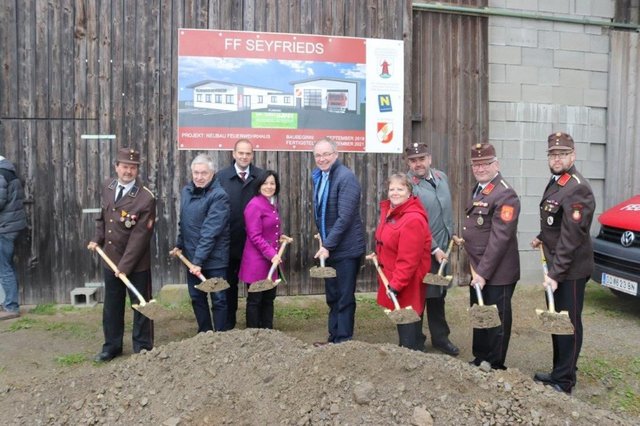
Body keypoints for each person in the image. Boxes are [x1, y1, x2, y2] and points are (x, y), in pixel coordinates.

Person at [531, 132, 595, 394]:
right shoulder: (559, 181)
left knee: (568, 324)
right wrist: (541, 236)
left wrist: (556, 275)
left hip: (570, 270)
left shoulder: (577, 187)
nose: (557, 159)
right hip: (559, 267)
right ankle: (559, 371)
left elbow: (572, 237)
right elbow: (557, 221)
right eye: (553, 154)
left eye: (562, 154)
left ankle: (565, 381)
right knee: (557, 320)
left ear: (573, 155)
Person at [88, 147, 156, 362]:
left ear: (137, 170)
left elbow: (139, 238)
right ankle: (112, 346)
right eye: (125, 166)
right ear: (116, 167)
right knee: (112, 307)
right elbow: (103, 218)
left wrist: (124, 266)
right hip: (110, 260)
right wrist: (97, 239)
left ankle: (143, 347)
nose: (128, 171)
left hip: (136, 264)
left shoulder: (145, 198)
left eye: (133, 168)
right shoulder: (108, 186)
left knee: (141, 305)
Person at [462, 143, 520, 370]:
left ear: (496, 164)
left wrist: (483, 273)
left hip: (497, 272)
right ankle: (480, 357)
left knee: (496, 320)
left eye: (486, 163)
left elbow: (500, 239)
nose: (480, 168)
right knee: (480, 313)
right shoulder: (480, 189)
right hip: (478, 268)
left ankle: (494, 364)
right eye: (476, 164)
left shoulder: (505, 194)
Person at [405, 143, 459, 356]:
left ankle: (440, 338)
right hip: (421, 250)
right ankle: (415, 340)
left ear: (429, 159)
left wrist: (451, 233)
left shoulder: (440, 177)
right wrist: (434, 246)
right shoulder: (408, 185)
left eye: (421, 158)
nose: (418, 163)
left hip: (442, 250)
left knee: (438, 295)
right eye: (413, 160)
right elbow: (412, 221)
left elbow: (445, 210)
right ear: (408, 163)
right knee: (418, 295)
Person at [312, 137, 365, 345]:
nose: (322, 158)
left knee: (344, 298)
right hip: (331, 248)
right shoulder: (320, 176)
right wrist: (324, 239)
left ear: (336, 154)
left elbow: (345, 218)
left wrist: (327, 245)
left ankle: (343, 342)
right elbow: (322, 211)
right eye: (318, 155)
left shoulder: (346, 178)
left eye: (326, 154)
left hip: (346, 250)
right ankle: (333, 337)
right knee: (332, 296)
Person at [171, 154, 230, 333]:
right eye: (196, 173)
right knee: (197, 297)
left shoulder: (219, 196)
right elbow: (185, 222)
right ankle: (205, 333)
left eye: (204, 173)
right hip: (192, 257)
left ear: (212, 173)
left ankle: (220, 335)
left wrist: (198, 261)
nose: (199, 177)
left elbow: (209, 232)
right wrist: (179, 244)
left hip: (215, 259)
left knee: (218, 297)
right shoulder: (187, 191)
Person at [374, 173, 431, 350]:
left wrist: (396, 285)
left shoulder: (412, 219)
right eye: (392, 189)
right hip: (393, 276)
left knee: (408, 321)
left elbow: (409, 259)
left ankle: (410, 358)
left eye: (400, 189)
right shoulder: (392, 211)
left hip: (407, 280)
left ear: (409, 192)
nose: (395, 193)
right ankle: (411, 349)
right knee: (403, 320)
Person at [217, 139, 264, 329]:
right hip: (229, 242)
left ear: (252, 155)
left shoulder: (260, 176)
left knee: (256, 286)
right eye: (241, 153)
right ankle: (229, 324)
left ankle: (256, 326)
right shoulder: (221, 177)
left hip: (255, 243)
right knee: (229, 285)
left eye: (248, 153)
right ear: (233, 154)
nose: (244, 157)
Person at [239, 170, 282, 329]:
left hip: (270, 261)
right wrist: (272, 255)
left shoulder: (272, 203)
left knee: (269, 297)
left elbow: (271, 229)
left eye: (272, 183)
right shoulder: (254, 205)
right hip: (256, 262)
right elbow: (255, 235)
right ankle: (253, 334)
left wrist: (281, 236)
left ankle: (268, 331)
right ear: (259, 186)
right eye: (265, 183)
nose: (269, 186)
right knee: (255, 299)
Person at [0, 156, 27, 320]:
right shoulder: (9, 171)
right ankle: (9, 303)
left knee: (5, 268)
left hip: (4, 227)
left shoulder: (1, 173)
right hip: (11, 226)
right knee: (7, 266)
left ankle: (11, 307)